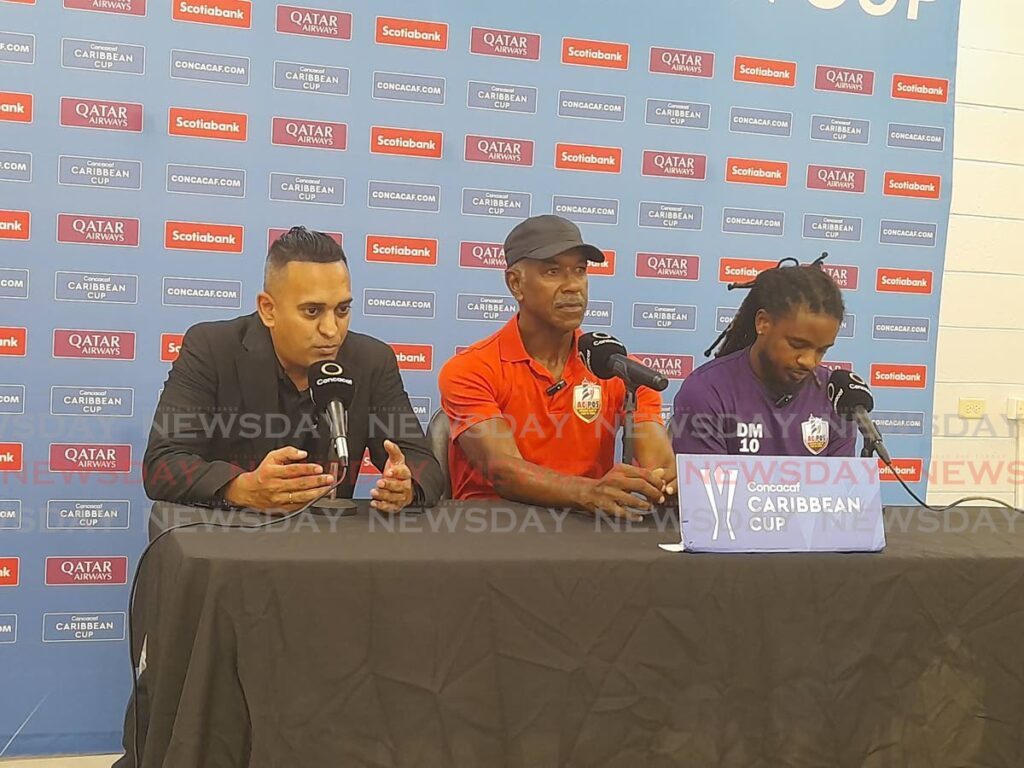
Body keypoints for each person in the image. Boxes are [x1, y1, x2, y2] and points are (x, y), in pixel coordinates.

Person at [143, 225, 444, 514]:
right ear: (268, 310)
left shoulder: (371, 361)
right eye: (312, 311)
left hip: (330, 548)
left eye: (342, 310)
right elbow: (163, 465)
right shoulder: (212, 349)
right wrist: (242, 488)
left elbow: (424, 465)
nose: (331, 330)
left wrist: (406, 486)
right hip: (233, 546)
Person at [438, 214, 676, 520]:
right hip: (492, 532)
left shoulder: (620, 370)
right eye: (553, 272)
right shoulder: (470, 369)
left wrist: (665, 483)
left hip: (586, 532)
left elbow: (658, 465)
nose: (573, 286)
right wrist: (587, 492)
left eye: (580, 271)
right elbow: (503, 471)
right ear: (515, 283)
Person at [671, 258, 856, 457]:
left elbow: (842, 486)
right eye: (797, 345)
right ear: (763, 323)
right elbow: (708, 486)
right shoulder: (707, 390)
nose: (809, 361)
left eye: (822, 350)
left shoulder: (835, 396)